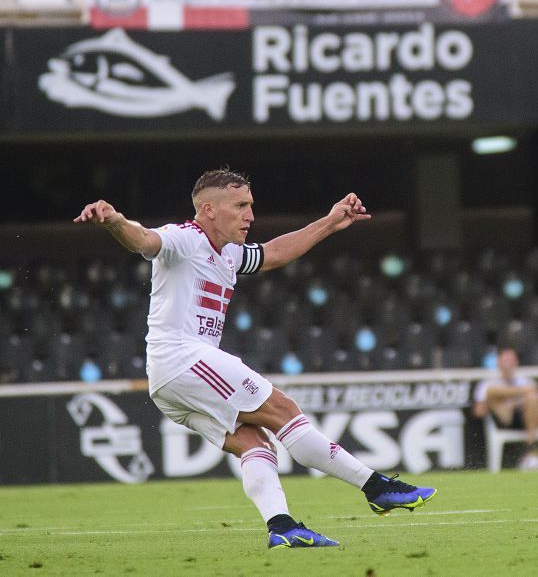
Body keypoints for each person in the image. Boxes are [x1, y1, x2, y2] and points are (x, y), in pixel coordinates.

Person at [73, 169, 437, 549]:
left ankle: (281, 526)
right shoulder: (185, 238)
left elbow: (276, 252)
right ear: (209, 209)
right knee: (284, 410)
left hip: (167, 382)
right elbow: (144, 240)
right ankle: (376, 487)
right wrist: (114, 220)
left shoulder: (228, 253)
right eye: (241, 206)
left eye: (251, 205)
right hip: (183, 360)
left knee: (255, 443)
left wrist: (330, 223)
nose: (250, 215)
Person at [472, 347, 538, 470]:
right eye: (505, 360)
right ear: (498, 363)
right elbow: (479, 411)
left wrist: (520, 402)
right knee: (491, 392)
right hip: (503, 419)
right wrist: (509, 398)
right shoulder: (487, 383)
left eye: (511, 360)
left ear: (516, 363)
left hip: (526, 419)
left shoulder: (526, 381)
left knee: (532, 398)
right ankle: (532, 452)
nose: (508, 364)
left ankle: (531, 449)